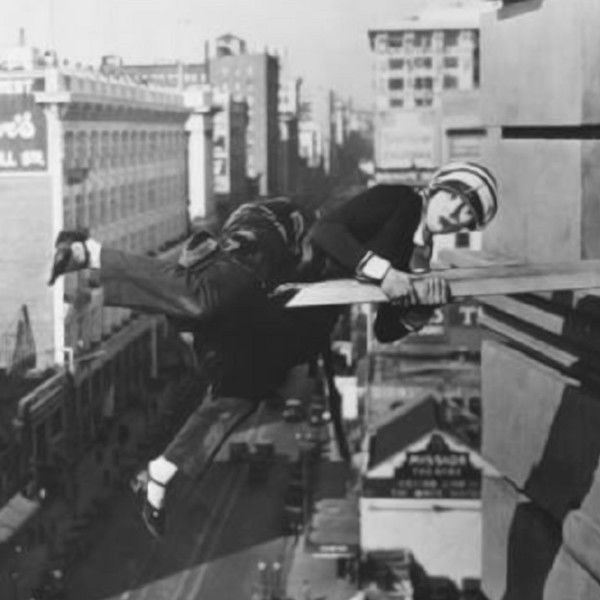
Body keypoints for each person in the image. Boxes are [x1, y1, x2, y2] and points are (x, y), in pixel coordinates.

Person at [49, 161, 498, 536]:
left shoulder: (420, 258)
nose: (456, 214)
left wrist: (424, 306)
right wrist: (385, 274)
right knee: (208, 297)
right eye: (456, 199)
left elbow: (384, 327)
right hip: (281, 237)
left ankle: (160, 474)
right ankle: (86, 253)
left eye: (467, 215)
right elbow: (327, 231)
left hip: (297, 303)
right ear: (439, 187)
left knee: (244, 387)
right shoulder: (401, 200)